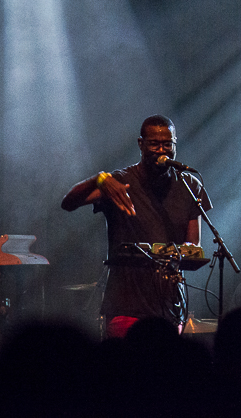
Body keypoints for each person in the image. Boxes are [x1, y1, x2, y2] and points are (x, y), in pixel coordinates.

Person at [61, 115, 209, 337]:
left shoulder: (189, 185)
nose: (162, 150)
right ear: (141, 144)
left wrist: (179, 252)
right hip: (126, 306)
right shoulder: (120, 180)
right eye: (154, 144)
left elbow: (193, 244)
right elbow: (69, 203)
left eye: (167, 144)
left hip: (170, 308)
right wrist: (99, 179)